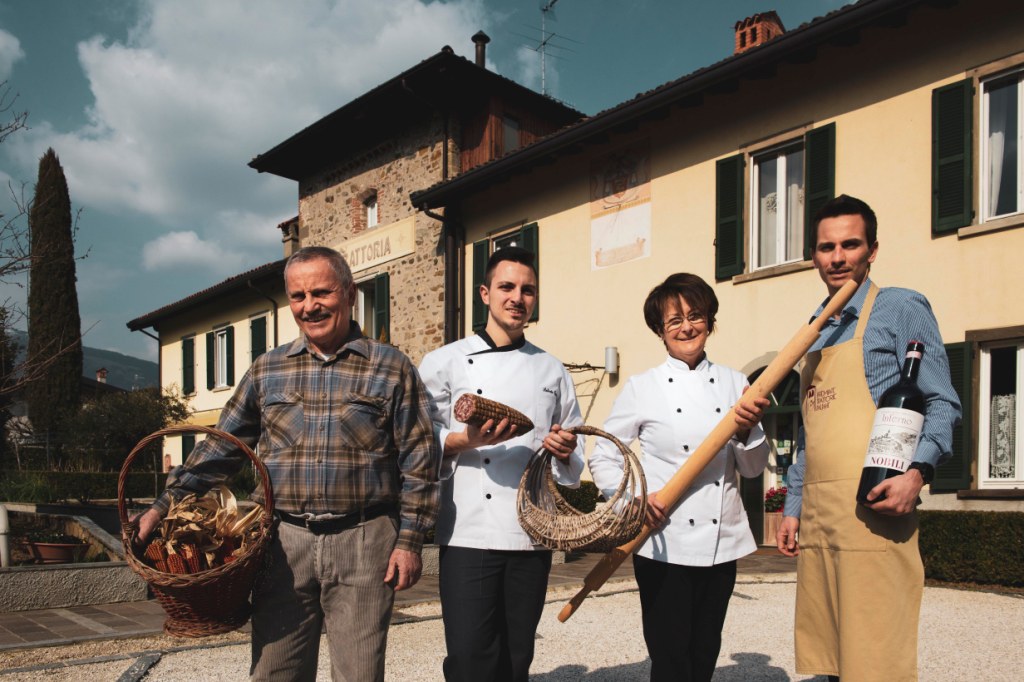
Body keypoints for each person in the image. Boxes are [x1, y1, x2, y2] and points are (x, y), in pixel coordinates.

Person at [135, 246, 440, 681]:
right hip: (282, 544)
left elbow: (420, 460)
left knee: (359, 673)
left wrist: (409, 542)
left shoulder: (391, 367)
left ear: (350, 293)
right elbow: (221, 450)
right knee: (275, 672)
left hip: (364, 541)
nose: (309, 306)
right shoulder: (268, 369)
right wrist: (163, 505)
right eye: (297, 296)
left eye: (321, 293)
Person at [776, 195, 961, 682]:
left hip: (876, 510)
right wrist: (794, 506)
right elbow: (808, 430)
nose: (837, 257)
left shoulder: (900, 307)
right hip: (821, 519)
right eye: (826, 247)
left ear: (872, 250)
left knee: (877, 659)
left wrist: (917, 474)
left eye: (850, 244)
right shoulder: (814, 329)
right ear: (814, 256)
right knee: (831, 658)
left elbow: (941, 402)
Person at [589, 272, 770, 682]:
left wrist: (744, 430)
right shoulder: (641, 387)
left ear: (709, 321)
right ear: (660, 331)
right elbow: (604, 454)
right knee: (670, 658)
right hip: (661, 541)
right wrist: (635, 500)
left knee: (705, 650)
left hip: (719, 543)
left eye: (696, 315)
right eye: (674, 320)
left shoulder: (735, 383)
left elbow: (754, 467)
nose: (687, 327)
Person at [417, 246, 584, 682]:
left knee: (516, 657)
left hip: (531, 535)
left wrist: (565, 450)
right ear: (485, 294)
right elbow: (415, 441)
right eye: (507, 287)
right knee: (470, 659)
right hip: (469, 533)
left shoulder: (551, 369)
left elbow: (575, 452)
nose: (518, 297)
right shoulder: (444, 362)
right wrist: (460, 440)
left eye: (527, 290)